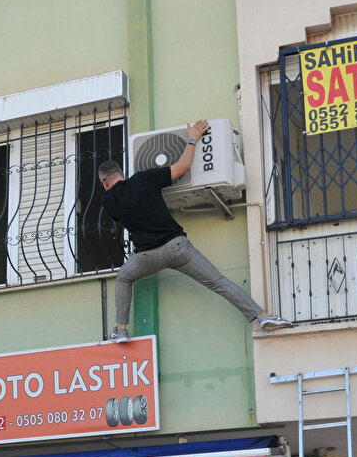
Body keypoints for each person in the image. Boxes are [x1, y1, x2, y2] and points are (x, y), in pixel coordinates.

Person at [98, 120, 292, 343]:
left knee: (123, 278)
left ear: (104, 182)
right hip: (177, 247)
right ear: (122, 173)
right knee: (218, 282)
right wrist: (192, 138)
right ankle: (262, 317)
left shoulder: (107, 201)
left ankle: (121, 330)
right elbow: (183, 167)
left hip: (146, 256)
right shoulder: (143, 178)